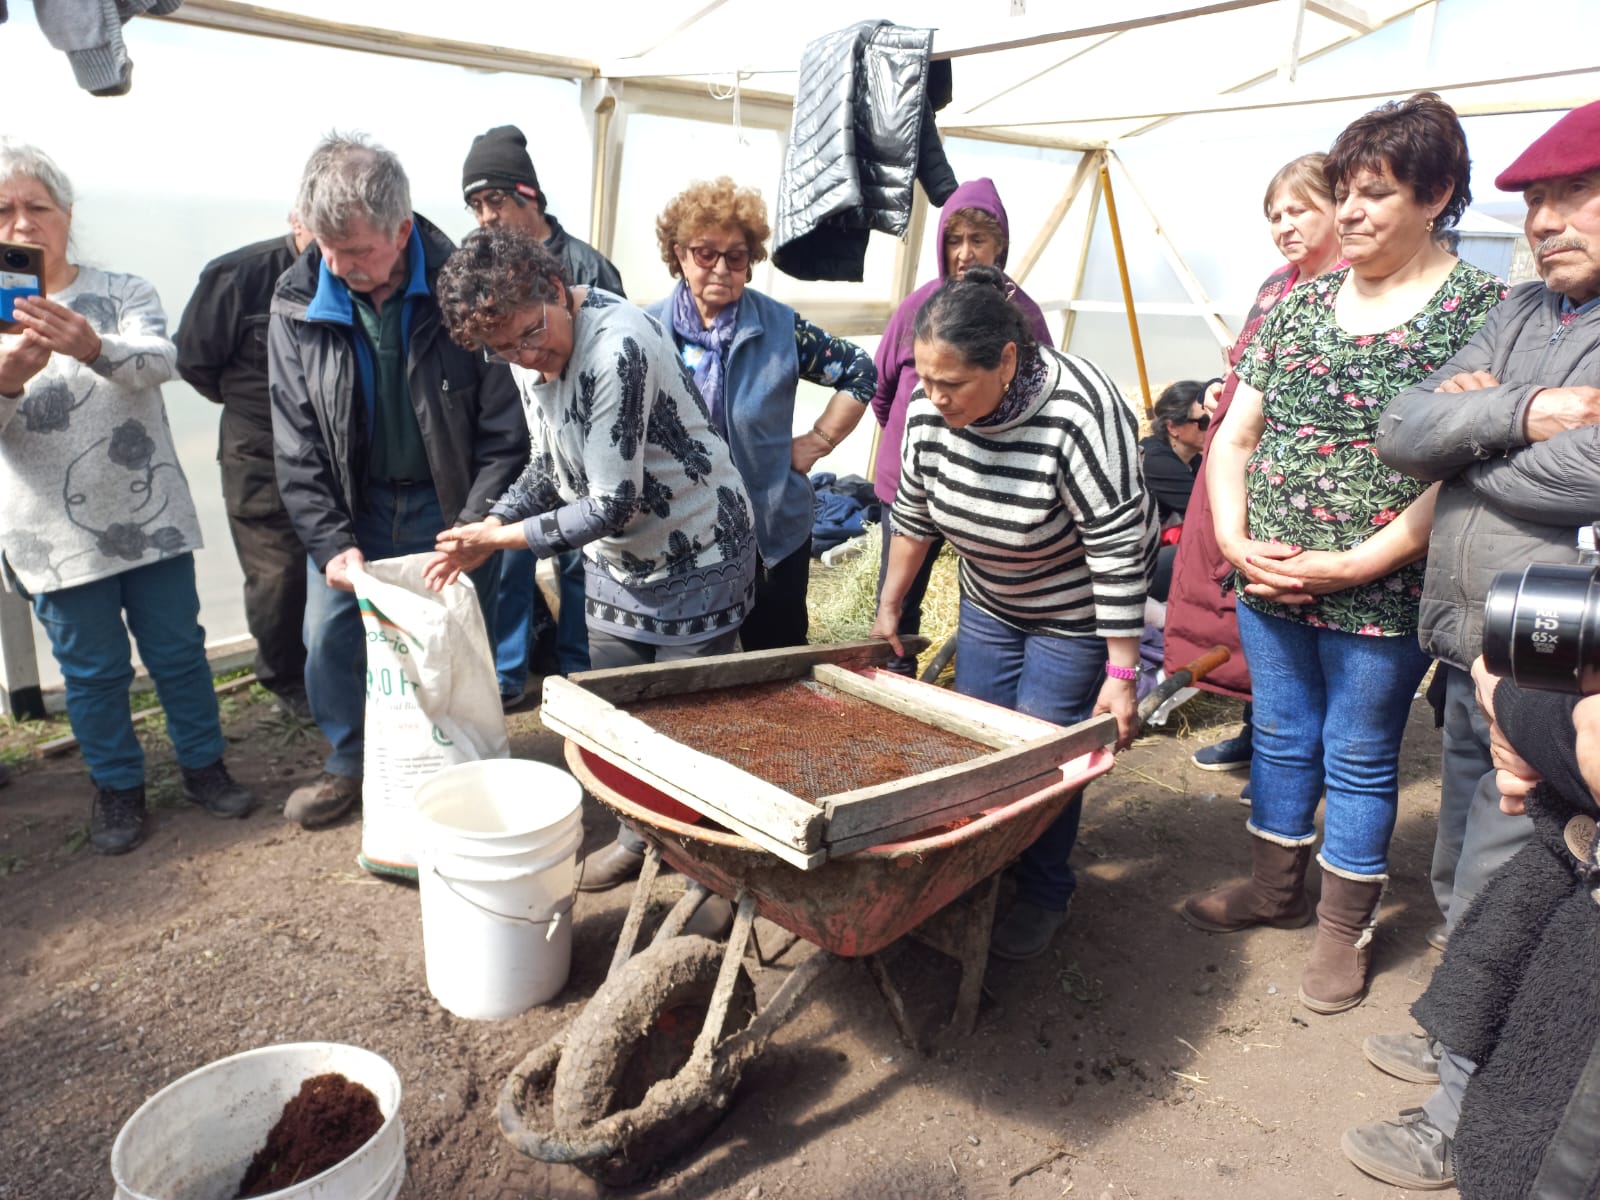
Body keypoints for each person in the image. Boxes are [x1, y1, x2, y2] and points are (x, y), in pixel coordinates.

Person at [1180, 93, 1506, 1015]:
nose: (1350, 213)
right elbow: (1237, 437)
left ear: (1437, 194)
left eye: (1376, 194)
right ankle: (1273, 889)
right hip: (1270, 577)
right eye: (1345, 193)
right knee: (1281, 737)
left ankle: (1340, 926)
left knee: (1360, 752)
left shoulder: (1480, 312)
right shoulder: (1301, 302)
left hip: (1382, 589)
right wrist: (1239, 542)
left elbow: (1465, 469)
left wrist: (1361, 561)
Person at [1343, 98, 1600, 1191]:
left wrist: (1474, 433)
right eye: (1532, 200)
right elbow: (1403, 429)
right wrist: (1530, 408)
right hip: (1466, 641)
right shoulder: (1523, 311)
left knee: (1515, 877)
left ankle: (1461, 1112)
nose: (1542, 220)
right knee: (1459, 864)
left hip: (1551, 662)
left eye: (1569, 194)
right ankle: (1459, 1029)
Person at [427, 228, 758, 922]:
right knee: (619, 716)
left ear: (554, 291)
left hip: (697, 552)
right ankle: (639, 837)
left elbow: (613, 502)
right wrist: (491, 522)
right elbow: (551, 465)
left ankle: (712, 875)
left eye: (528, 336)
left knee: (692, 733)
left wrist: (506, 539)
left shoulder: (618, 347)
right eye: (503, 351)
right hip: (620, 566)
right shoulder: (525, 350)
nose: (523, 357)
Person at [870, 265, 1157, 961]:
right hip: (990, 599)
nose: (934, 399)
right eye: (925, 381)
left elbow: (1118, 545)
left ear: (1006, 360)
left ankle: (1045, 890)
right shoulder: (928, 410)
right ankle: (984, 869)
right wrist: (888, 606)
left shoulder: (1081, 410)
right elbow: (911, 517)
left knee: (1043, 755)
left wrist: (1122, 671)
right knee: (978, 740)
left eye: (952, 385)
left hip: (1074, 610)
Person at [0, 140, 255, 854]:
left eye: (37, 208)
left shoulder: (124, 290)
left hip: (149, 516)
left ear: (67, 216)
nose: (21, 225)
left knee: (178, 651)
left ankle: (205, 766)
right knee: (93, 669)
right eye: (3, 211)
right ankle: (117, 789)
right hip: (50, 531)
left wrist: (90, 346)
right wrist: (9, 377)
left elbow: (161, 362)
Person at [269, 133, 526, 830]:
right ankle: (350, 761)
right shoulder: (296, 299)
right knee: (332, 638)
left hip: (451, 501)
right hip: (358, 504)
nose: (339, 265)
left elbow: (506, 431)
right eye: (327, 247)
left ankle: (459, 763)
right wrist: (331, 544)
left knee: (458, 636)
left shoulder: (463, 283)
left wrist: (475, 525)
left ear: (403, 229)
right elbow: (296, 442)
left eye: (356, 251)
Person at [1344, 659, 1600, 1197]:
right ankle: (1461, 1044)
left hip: (1543, 706)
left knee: (1551, 997)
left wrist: (1515, 700)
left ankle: (1465, 1116)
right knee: (1480, 856)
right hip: (1495, 668)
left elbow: (1592, 739)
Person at [1166, 154, 1342, 777]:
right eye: (1275, 215)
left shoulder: (1356, 284)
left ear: (1339, 207)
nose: (1285, 225)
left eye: (1299, 210)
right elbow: (1250, 362)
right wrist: (1222, 387)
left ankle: (1299, 757)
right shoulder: (1277, 283)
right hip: (1240, 463)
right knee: (1245, 606)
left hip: (1304, 481)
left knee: (1296, 608)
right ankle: (1259, 733)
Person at [645, 176, 876, 652]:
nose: (721, 268)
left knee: (776, 656)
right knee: (692, 662)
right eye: (705, 253)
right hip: (681, 536)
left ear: (750, 263)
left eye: (736, 255)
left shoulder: (778, 327)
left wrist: (817, 443)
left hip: (769, 534)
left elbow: (859, 370)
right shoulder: (648, 332)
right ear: (680, 255)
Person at [462, 123, 625, 703]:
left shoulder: (585, 265)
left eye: (495, 199)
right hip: (517, 444)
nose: (485, 214)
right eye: (475, 204)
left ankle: (585, 675)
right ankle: (509, 678)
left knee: (585, 563)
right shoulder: (477, 267)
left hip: (588, 451)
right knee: (510, 560)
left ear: (530, 196)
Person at [870, 178, 1053, 675]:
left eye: (979, 240)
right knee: (900, 591)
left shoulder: (1025, 316)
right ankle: (894, 677)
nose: (965, 253)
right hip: (913, 483)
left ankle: (980, 673)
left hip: (989, 486)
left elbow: (1044, 404)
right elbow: (883, 391)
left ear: (1001, 246)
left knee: (987, 597)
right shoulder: (918, 308)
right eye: (954, 240)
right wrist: (914, 449)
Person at [175, 214, 315, 720]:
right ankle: (285, 680)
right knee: (277, 577)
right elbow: (193, 361)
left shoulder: (357, 271)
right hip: (259, 454)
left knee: (341, 565)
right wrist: (255, 406)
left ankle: (339, 669)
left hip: (336, 453)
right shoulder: (239, 275)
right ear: (297, 217)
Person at [1140, 379, 1208, 604]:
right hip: (1134, 564)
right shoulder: (1155, 461)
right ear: (1173, 427)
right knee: (1208, 555)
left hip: (1157, 550)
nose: (1212, 427)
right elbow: (1207, 512)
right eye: (1204, 421)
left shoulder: (1194, 460)